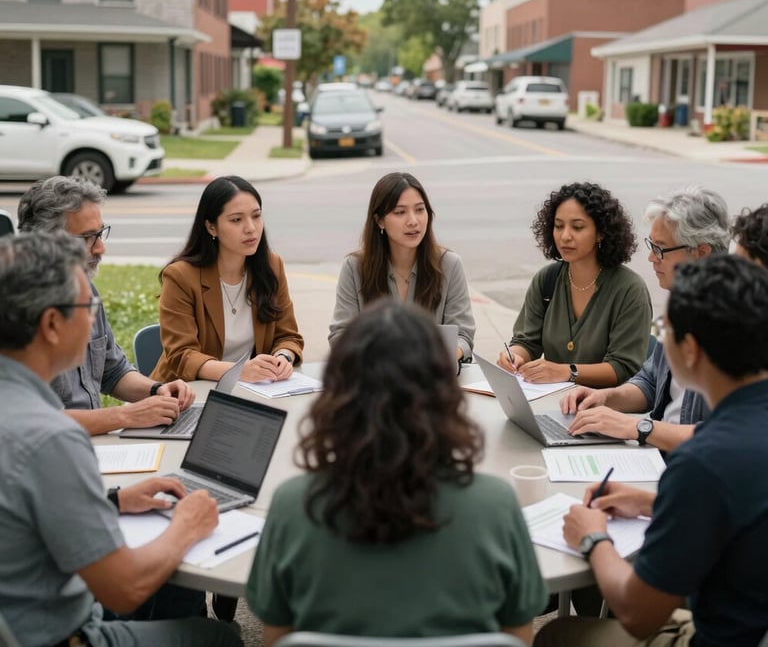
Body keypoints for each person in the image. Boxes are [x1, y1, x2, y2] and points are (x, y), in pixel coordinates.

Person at [248, 300, 547, 646]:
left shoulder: (293, 505)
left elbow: (276, 639)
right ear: (444, 395)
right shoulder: (495, 505)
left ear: (339, 394)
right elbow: (519, 638)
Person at [0, 230, 242, 647]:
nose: (94, 318)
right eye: (87, 306)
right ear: (52, 324)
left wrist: (113, 500)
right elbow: (123, 588)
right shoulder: (52, 437)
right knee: (219, 637)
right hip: (62, 634)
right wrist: (187, 525)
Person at [534, 254, 768, 647]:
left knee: (559, 634)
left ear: (690, 350)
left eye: (666, 330)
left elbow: (638, 614)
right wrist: (651, 502)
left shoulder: (703, 461)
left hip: (718, 635)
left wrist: (593, 538)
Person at [17, 176, 195, 436]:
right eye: (88, 238)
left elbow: (113, 371)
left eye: (100, 233)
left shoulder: (86, 291)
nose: (101, 248)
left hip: (92, 447)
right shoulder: (15, 313)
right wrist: (124, 415)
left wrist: (156, 391)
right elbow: (30, 422)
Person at [561, 186, 730, 452]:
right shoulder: (675, 310)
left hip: (694, 467)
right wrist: (606, 397)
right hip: (657, 455)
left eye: (661, 249)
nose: (651, 258)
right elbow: (651, 381)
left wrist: (639, 428)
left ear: (702, 252)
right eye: (652, 246)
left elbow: (729, 436)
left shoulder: (740, 328)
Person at [151, 175, 303, 385]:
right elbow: (181, 356)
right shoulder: (180, 276)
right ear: (211, 227)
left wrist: (283, 358)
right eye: (236, 220)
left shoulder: (271, 266)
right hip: (184, 394)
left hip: (251, 391)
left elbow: (288, 336)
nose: (251, 228)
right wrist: (239, 371)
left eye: (256, 216)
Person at [499, 182, 651, 387]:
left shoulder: (629, 289)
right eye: (559, 226)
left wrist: (566, 372)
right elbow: (527, 341)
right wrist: (514, 356)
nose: (565, 236)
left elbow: (623, 367)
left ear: (601, 232)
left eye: (577, 227)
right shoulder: (546, 280)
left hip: (607, 410)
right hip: (553, 402)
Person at [328, 172, 475, 362]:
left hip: (432, 379)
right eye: (400, 212)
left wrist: (450, 353)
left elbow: (463, 336)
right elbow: (340, 336)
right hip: (375, 380)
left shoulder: (449, 264)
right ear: (379, 220)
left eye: (420, 210)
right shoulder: (355, 267)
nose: (413, 221)